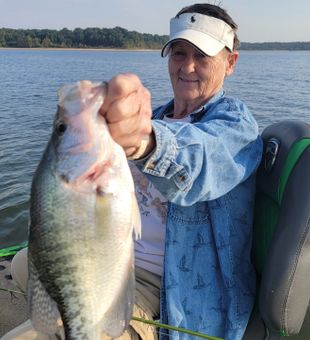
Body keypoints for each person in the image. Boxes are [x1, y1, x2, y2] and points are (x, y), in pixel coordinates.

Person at [2, 3, 263, 340]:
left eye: (203, 55)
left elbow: (200, 160)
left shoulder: (237, 127)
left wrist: (143, 142)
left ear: (231, 63)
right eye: (179, 53)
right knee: (25, 262)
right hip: (115, 255)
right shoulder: (154, 116)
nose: (188, 66)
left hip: (168, 289)